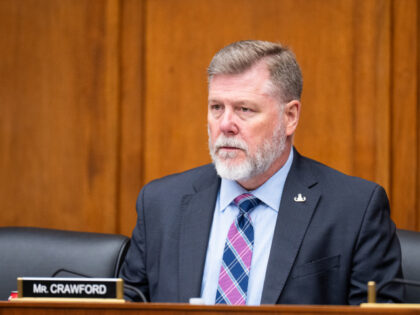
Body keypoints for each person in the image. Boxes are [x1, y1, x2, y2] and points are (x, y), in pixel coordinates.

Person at [119, 40, 403, 305]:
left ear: (290, 117)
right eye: (216, 107)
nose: (225, 124)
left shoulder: (354, 210)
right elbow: (124, 307)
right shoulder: (160, 204)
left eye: (244, 109)